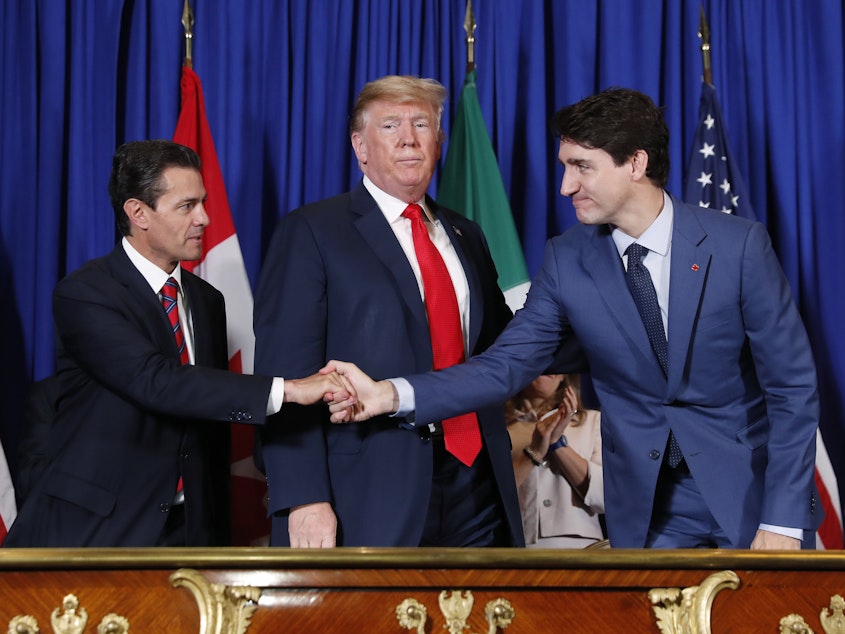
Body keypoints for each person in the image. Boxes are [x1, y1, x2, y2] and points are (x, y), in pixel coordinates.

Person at [326, 88, 821, 550]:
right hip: (647, 512)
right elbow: (504, 366)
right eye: (565, 166)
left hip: (750, 495)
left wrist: (781, 519)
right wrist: (389, 394)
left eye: (581, 167)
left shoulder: (738, 246)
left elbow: (791, 386)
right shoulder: (568, 260)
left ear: (635, 164)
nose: (565, 186)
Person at [3, 140, 349, 548]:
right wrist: (290, 389)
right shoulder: (85, 293)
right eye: (187, 206)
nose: (204, 218)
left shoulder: (206, 300)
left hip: (191, 532)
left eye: (203, 202)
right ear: (138, 213)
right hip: (102, 532)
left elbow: (210, 423)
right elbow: (157, 381)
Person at [253, 75, 524, 548]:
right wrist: (304, 497)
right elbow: (285, 375)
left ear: (438, 140)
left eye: (422, 124)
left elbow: (505, 344)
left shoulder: (467, 235)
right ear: (360, 146)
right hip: (366, 490)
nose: (409, 138)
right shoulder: (313, 232)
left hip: (476, 483)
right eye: (391, 125)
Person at [506, 374, 604, 548]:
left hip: (582, 549)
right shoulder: (499, 428)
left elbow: (606, 498)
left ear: (564, 376)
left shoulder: (593, 421)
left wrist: (557, 444)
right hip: (518, 547)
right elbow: (492, 497)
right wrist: (534, 452)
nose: (548, 368)